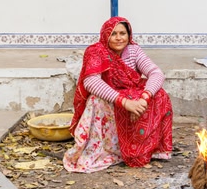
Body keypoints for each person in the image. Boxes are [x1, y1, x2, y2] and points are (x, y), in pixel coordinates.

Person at [63, 17, 173, 173]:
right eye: (113, 34)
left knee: (160, 94)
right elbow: (91, 82)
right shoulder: (96, 51)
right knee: (96, 100)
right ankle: (112, 150)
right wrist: (125, 102)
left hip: (131, 95)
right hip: (110, 99)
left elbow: (156, 73)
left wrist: (145, 97)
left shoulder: (133, 50)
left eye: (123, 33)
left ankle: (145, 149)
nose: (119, 38)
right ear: (105, 35)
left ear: (129, 35)